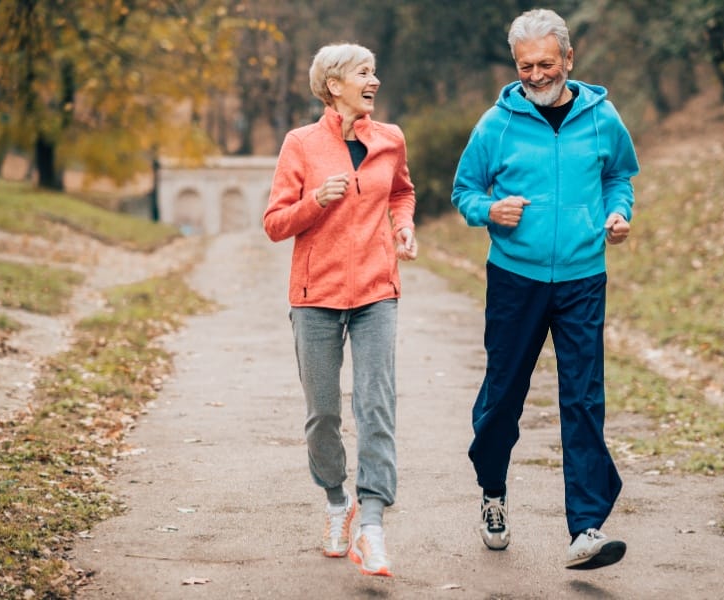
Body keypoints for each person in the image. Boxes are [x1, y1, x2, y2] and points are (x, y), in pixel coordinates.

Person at [451, 8, 638, 570]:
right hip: (515, 278)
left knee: (582, 399)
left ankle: (586, 526)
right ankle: (493, 493)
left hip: (583, 276)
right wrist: (490, 210)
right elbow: (465, 193)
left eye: (545, 63)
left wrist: (618, 214)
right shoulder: (496, 124)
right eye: (525, 65)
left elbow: (617, 176)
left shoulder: (603, 117)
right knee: (504, 394)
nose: (535, 74)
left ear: (569, 60)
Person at [263, 43, 418, 578]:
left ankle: (372, 523)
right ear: (334, 85)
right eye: (363, 73)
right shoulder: (301, 144)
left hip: (377, 290)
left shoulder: (389, 139)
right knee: (323, 414)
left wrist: (404, 226)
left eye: (375, 71)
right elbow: (275, 222)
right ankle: (337, 501)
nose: (374, 80)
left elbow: (402, 192)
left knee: (376, 405)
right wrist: (315, 203)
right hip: (316, 297)